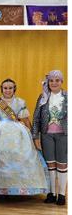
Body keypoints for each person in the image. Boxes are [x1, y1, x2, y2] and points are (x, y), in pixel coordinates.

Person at [0, 79, 48, 195]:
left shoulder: (20, 102)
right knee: (0, 155)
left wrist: (32, 133)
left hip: (18, 131)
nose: (8, 90)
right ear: (2, 89)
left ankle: (19, 187)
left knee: (20, 155)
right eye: (5, 88)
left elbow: (25, 119)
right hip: (0, 131)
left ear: (14, 89)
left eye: (10, 88)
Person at [32, 70, 67, 205]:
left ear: (61, 82)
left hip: (64, 135)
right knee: (50, 165)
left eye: (57, 80)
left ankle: (62, 194)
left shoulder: (67, 97)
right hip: (46, 135)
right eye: (51, 80)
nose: (54, 83)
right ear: (48, 82)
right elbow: (36, 119)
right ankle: (52, 193)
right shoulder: (43, 97)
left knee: (62, 164)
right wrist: (35, 136)